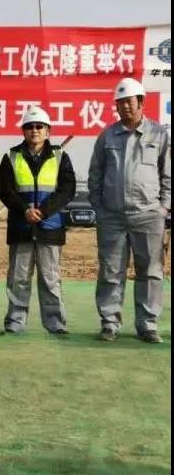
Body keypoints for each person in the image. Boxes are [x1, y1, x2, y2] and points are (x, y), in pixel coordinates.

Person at [88, 77, 171, 344]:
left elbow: (168, 174)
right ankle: (109, 323)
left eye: (129, 101)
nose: (124, 106)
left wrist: (163, 208)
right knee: (111, 271)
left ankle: (147, 325)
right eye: (120, 102)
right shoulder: (107, 136)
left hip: (148, 216)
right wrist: (99, 208)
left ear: (141, 102)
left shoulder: (159, 135)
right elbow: (95, 174)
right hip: (112, 217)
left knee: (151, 271)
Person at [0, 106, 76, 335]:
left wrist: (43, 211)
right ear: (23, 131)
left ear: (48, 130)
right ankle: (15, 323)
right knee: (18, 279)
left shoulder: (60, 157)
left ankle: (56, 324)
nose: (34, 130)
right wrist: (24, 211)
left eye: (39, 126)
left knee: (50, 279)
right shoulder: (11, 157)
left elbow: (67, 189)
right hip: (21, 227)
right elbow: (5, 190)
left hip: (50, 227)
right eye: (29, 126)